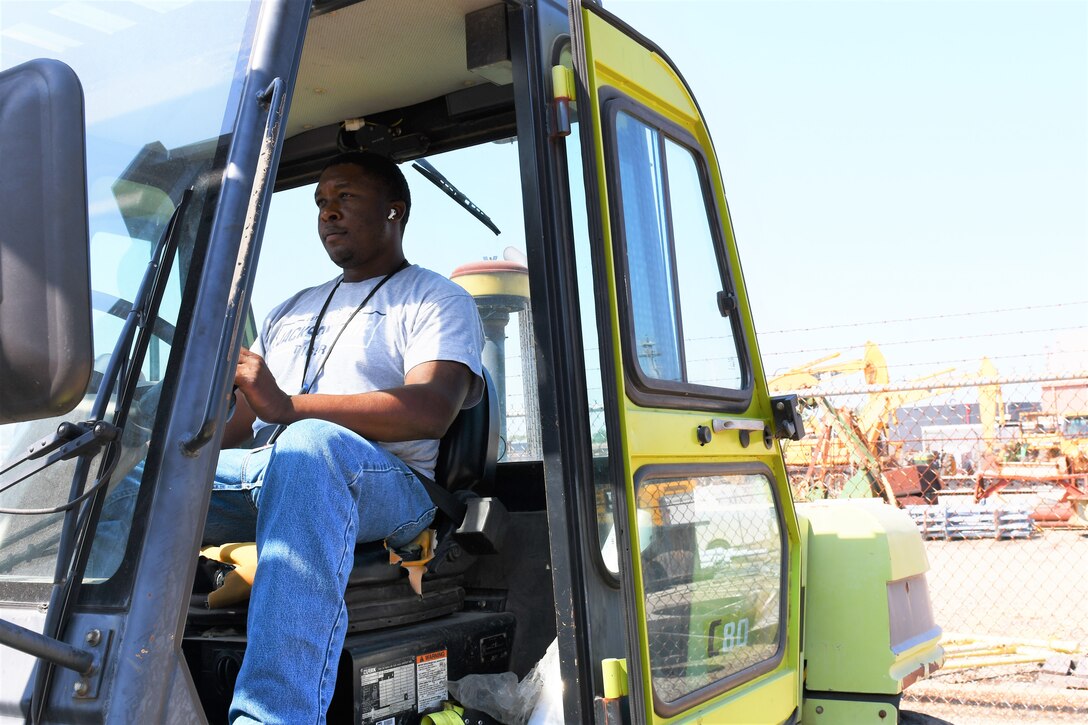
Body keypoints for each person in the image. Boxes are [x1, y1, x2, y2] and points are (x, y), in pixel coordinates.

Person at [205, 152, 485, 724]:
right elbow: (241, 427)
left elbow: (430, 409)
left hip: (390, 486)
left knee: (310, 446)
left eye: (345, 198)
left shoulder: (434, 299)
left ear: (394, 211)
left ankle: (273, 716)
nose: (328, 214)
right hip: (271, 472)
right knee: (118, 469)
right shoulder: (289, 310)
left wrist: (287, 406)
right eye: (320, 203)